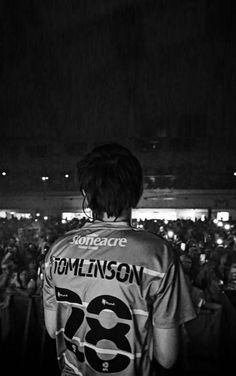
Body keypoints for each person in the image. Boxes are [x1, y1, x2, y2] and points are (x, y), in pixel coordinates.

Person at [43, 143, 196, 376]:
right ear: (137, 192)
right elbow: (167, 357)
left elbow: (53, 329)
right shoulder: (159, 256)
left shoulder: (58, 251)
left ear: (86, 193)